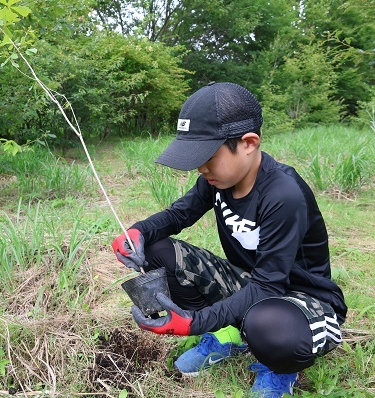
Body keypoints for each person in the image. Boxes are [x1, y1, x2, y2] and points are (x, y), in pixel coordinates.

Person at [111, 82, 347, 397]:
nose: (201, 166)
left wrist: (193, 323)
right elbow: (180, 215)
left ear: (248, 143)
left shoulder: (283, 194)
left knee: (268, 324)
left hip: (306, 302)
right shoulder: (218, 179)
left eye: (208, 155)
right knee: (157, 250)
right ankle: (232, 333)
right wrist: (138, 232)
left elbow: (269, 287)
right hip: (252, 283)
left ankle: (280, 368)